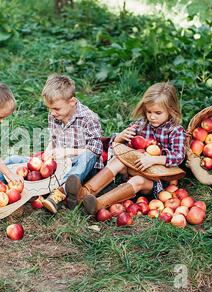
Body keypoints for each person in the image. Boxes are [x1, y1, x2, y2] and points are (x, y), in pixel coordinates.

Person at [65, 82, 186, 215]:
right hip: (136, 168)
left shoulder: (176, 131)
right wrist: (120, 137)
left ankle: (98, 204)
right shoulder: (143, 124)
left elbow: (178, 156)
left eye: (158, 113)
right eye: (149, 111)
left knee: (138, 181)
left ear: (171, 110)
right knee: (117, 160)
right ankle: (82, 194)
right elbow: (116, 145)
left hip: (157, 181)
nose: (152, 116)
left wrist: (153, 160)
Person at [0, 74, 104, 214]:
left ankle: (59, 194)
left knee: (87, 157)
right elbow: (54, 139)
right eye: (49, 109)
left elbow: (96, 150)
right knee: (12, 161)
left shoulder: (88, 118)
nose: (52, 113)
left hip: (79, 168)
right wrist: (47, 153)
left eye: (56, 109)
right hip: (58, 166)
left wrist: (66, 151)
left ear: (72, 102)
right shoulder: (54, 115)